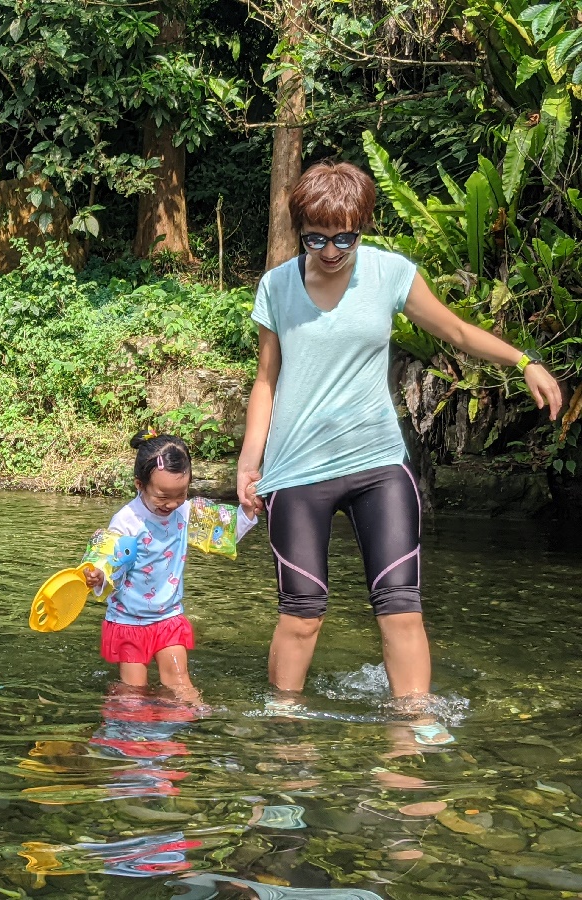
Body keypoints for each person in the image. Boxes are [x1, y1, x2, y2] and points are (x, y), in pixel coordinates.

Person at [237, 160, 563, 722]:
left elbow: (456, 330)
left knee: (400, 606)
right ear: (301, 229)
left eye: (345, 238)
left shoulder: (390, 274)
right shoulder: (277, 286)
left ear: (361, 226)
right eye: (317, 238)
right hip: (297, 471)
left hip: (376, 465)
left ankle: (411, 731)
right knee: (302, 612)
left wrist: (524, 360)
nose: (332, 250)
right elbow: (266, 379)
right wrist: (249, 462)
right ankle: (282, 730)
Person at [83, 431, 256, 702]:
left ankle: (193, 722)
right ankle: (128, 731)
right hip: (129, 621)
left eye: (181, 494)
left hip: (168, 617)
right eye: (163, 495)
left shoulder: (185, 512)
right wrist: (98, 575)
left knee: (179, 680)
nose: (173, 503)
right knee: (133, 691)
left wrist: (248, 510)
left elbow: (224, 531)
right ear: (140, 484)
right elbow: (109, 559)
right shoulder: (127, 521)